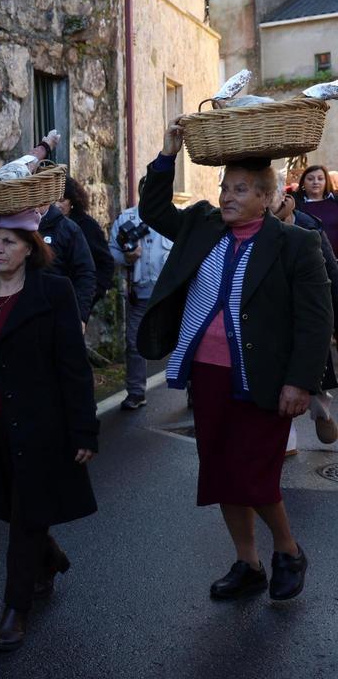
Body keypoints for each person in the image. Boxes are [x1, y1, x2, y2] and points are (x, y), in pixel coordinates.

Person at [137, 120, 331, 602]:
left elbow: (314, 320)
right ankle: (248, 563)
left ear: (266, 198)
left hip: (265, 379)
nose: (226, 197)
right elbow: (154, 207)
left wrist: (301, 382)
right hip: (208, 375)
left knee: (253, 472)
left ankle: (287, 549)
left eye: (240, 190)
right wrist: (167, 156)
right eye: (225, 187)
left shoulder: (294, 244)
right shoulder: (202, 225)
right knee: (222, 470)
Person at [0, 209, 98, 652]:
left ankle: (15, 610)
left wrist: (83, 429)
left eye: (9, 241)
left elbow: (73, 366)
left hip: (40, 427)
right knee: (7, 508)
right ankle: (49, 558)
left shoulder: (54, 291)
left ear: (31, 247)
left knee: (26, 516)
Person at [271, 189, 338, 449]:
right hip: (270, 319)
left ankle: (322, 411)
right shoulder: (248, 227)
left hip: (303, 318)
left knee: (307, 375)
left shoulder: (307, 225)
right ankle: (286, 438)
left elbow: (331, 274)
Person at [0, 203, 96, 325]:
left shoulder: (67, 228)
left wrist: (80, 316)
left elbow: (85, 272)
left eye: (8, 242)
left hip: (50, 308)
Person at [109, 179, 173, 410]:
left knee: (181, 341)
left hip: (170, 294)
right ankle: (136, 392)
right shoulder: (126, 219)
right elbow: (112, 252)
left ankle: (191, 389)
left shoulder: (174, 218)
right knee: (134, 343)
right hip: (140, 293)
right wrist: (127, 257)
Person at [56, 176, 114, 319]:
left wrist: (92, 294)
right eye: (53, 200)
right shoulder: (47, 224)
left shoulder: (87, 226)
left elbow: (106, 263)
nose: (56, 205)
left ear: (72, 202)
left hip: (77, 298)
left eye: (62, 200)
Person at [293, 164, 338, 254]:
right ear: (303, 182)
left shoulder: (335, 200)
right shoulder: (295, 204)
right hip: (310, 259)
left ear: (326, 181)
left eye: (320, 178)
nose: (315, 182)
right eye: (310, 179)